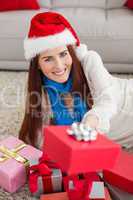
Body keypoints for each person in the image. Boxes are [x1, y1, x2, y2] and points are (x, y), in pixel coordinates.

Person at [19, 11, 133, 150]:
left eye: (63, 54)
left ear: (71, 51)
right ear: (37, 64)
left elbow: (108, 100)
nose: (59, 65)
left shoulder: (89, 61)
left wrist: (90, 121)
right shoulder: (40, 88)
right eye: (48, 59)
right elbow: (36, 139)